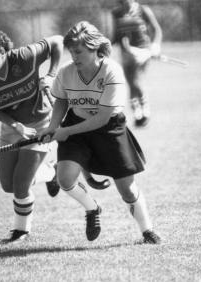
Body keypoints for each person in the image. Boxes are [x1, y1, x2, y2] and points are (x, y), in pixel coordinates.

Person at [0, 27, 105, 241]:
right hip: (12, 128)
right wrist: (15, 125)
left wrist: (51, 75)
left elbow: (57, 41)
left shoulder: (24, 57)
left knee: (21, 184)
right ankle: (51, 172)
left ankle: (21, 229)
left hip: (41, 124)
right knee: (8, 185)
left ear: (3, 52)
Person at [39, 21, 161, 244]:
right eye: (72, 52)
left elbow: (103, 118)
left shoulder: (112, 71)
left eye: (79, 52)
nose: (74, 57)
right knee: (64, 179)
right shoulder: (66, 72)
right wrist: (53, 127)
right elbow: (62, 101)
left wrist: (65, 131)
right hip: (76, 127)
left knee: (128, 191)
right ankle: (92, 208)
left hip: (109, 130)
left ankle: (147, 231)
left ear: (94, 48)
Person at [112, 0, 162, 126]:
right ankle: (137, 113)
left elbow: (157, 30)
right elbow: (116, 35)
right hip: (125, 52)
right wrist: (103, 46)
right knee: (130, 82)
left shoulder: (143, 10)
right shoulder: (117, 13)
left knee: (135, 80)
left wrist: (155, 46)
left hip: (142, 51)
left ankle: (144, 110)